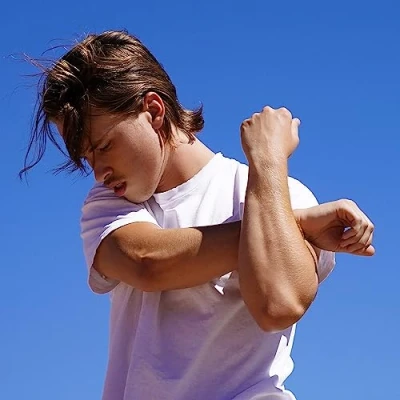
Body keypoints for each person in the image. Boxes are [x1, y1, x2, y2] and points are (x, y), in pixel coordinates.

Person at [22, 30, 374, 400]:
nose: (99, 173)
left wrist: (268, 156)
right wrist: (294, 225)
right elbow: (146, 264)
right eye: (87, 158)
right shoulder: (108, 204)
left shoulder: (282, 193)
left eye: (105, 146)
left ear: (154, 111)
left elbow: (279, 304)